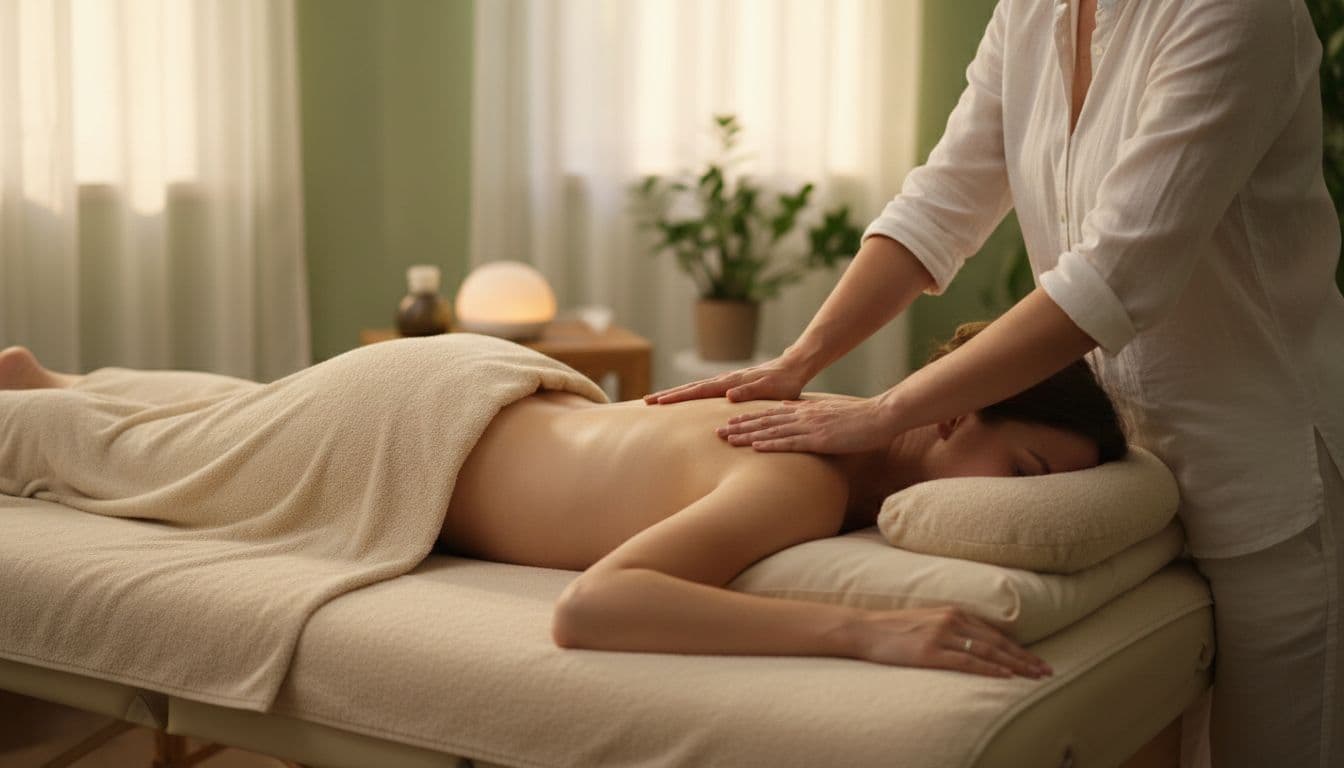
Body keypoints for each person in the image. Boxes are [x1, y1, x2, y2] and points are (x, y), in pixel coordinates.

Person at [644, 1, 1344, 766]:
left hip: (1267, 472)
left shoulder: (1237, 14)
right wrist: (800, 360)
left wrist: (886, 411)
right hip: (1125, 477)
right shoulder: (1033, 9)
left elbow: (1115, 276)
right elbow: (937, 207)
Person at [0, 319, 1123, 679]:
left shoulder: (823, 411)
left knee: (227, 422)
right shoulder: (800, 472)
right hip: (409, 433)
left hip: (479, 389)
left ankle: (52, 382)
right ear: (949, 415)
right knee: (148, 467)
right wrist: (869, 631)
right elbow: (596, 608)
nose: (1012, 513)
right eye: (1022, 477)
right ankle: (31, 410)